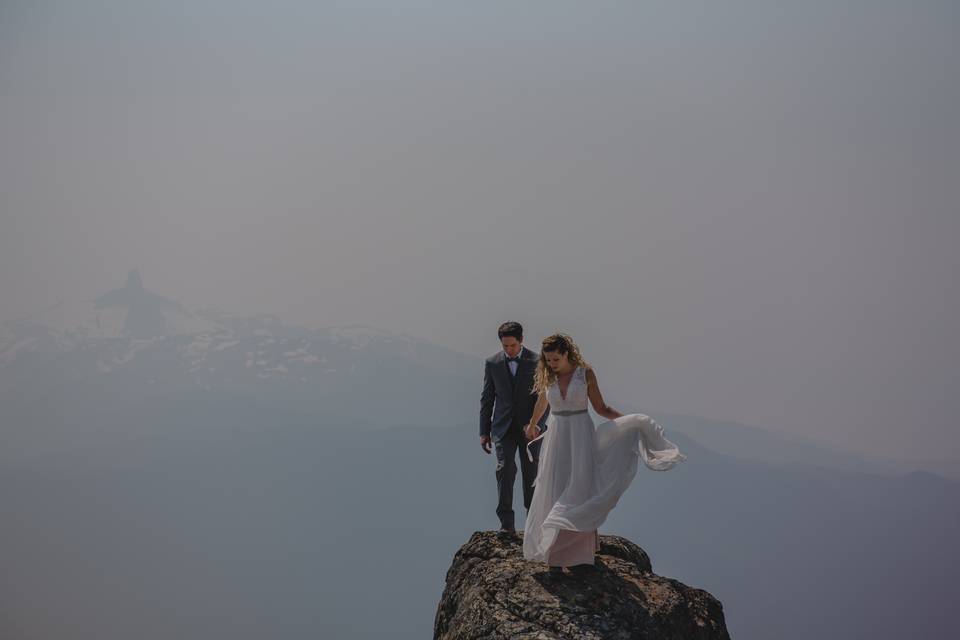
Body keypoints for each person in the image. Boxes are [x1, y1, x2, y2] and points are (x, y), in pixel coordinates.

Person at [522, 333, 688, 575]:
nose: (552, 363)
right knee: (555, 486)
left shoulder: (585, 373)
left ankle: (578, 556)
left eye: (555, 359)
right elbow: (542, 402)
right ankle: (553, 554)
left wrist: (627, 423)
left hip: (580, 434)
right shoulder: (548, 375)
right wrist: (533, 423)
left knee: (581, 487)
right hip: (557, 437)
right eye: (548, 360)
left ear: (567, 353)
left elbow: (601, 407)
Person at [479, 321, 550, 534]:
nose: (509, 350)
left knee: (531, 474)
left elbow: (545, 397)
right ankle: (506, 523)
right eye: (505, 346)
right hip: (502, 428)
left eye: (512, 345)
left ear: (521, 341)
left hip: (531, 428)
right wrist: (484, 431)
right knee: (504, 469)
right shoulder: (492, 363)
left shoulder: (538, 361)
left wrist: (536, 423)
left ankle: (533, 521)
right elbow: (487, 398)